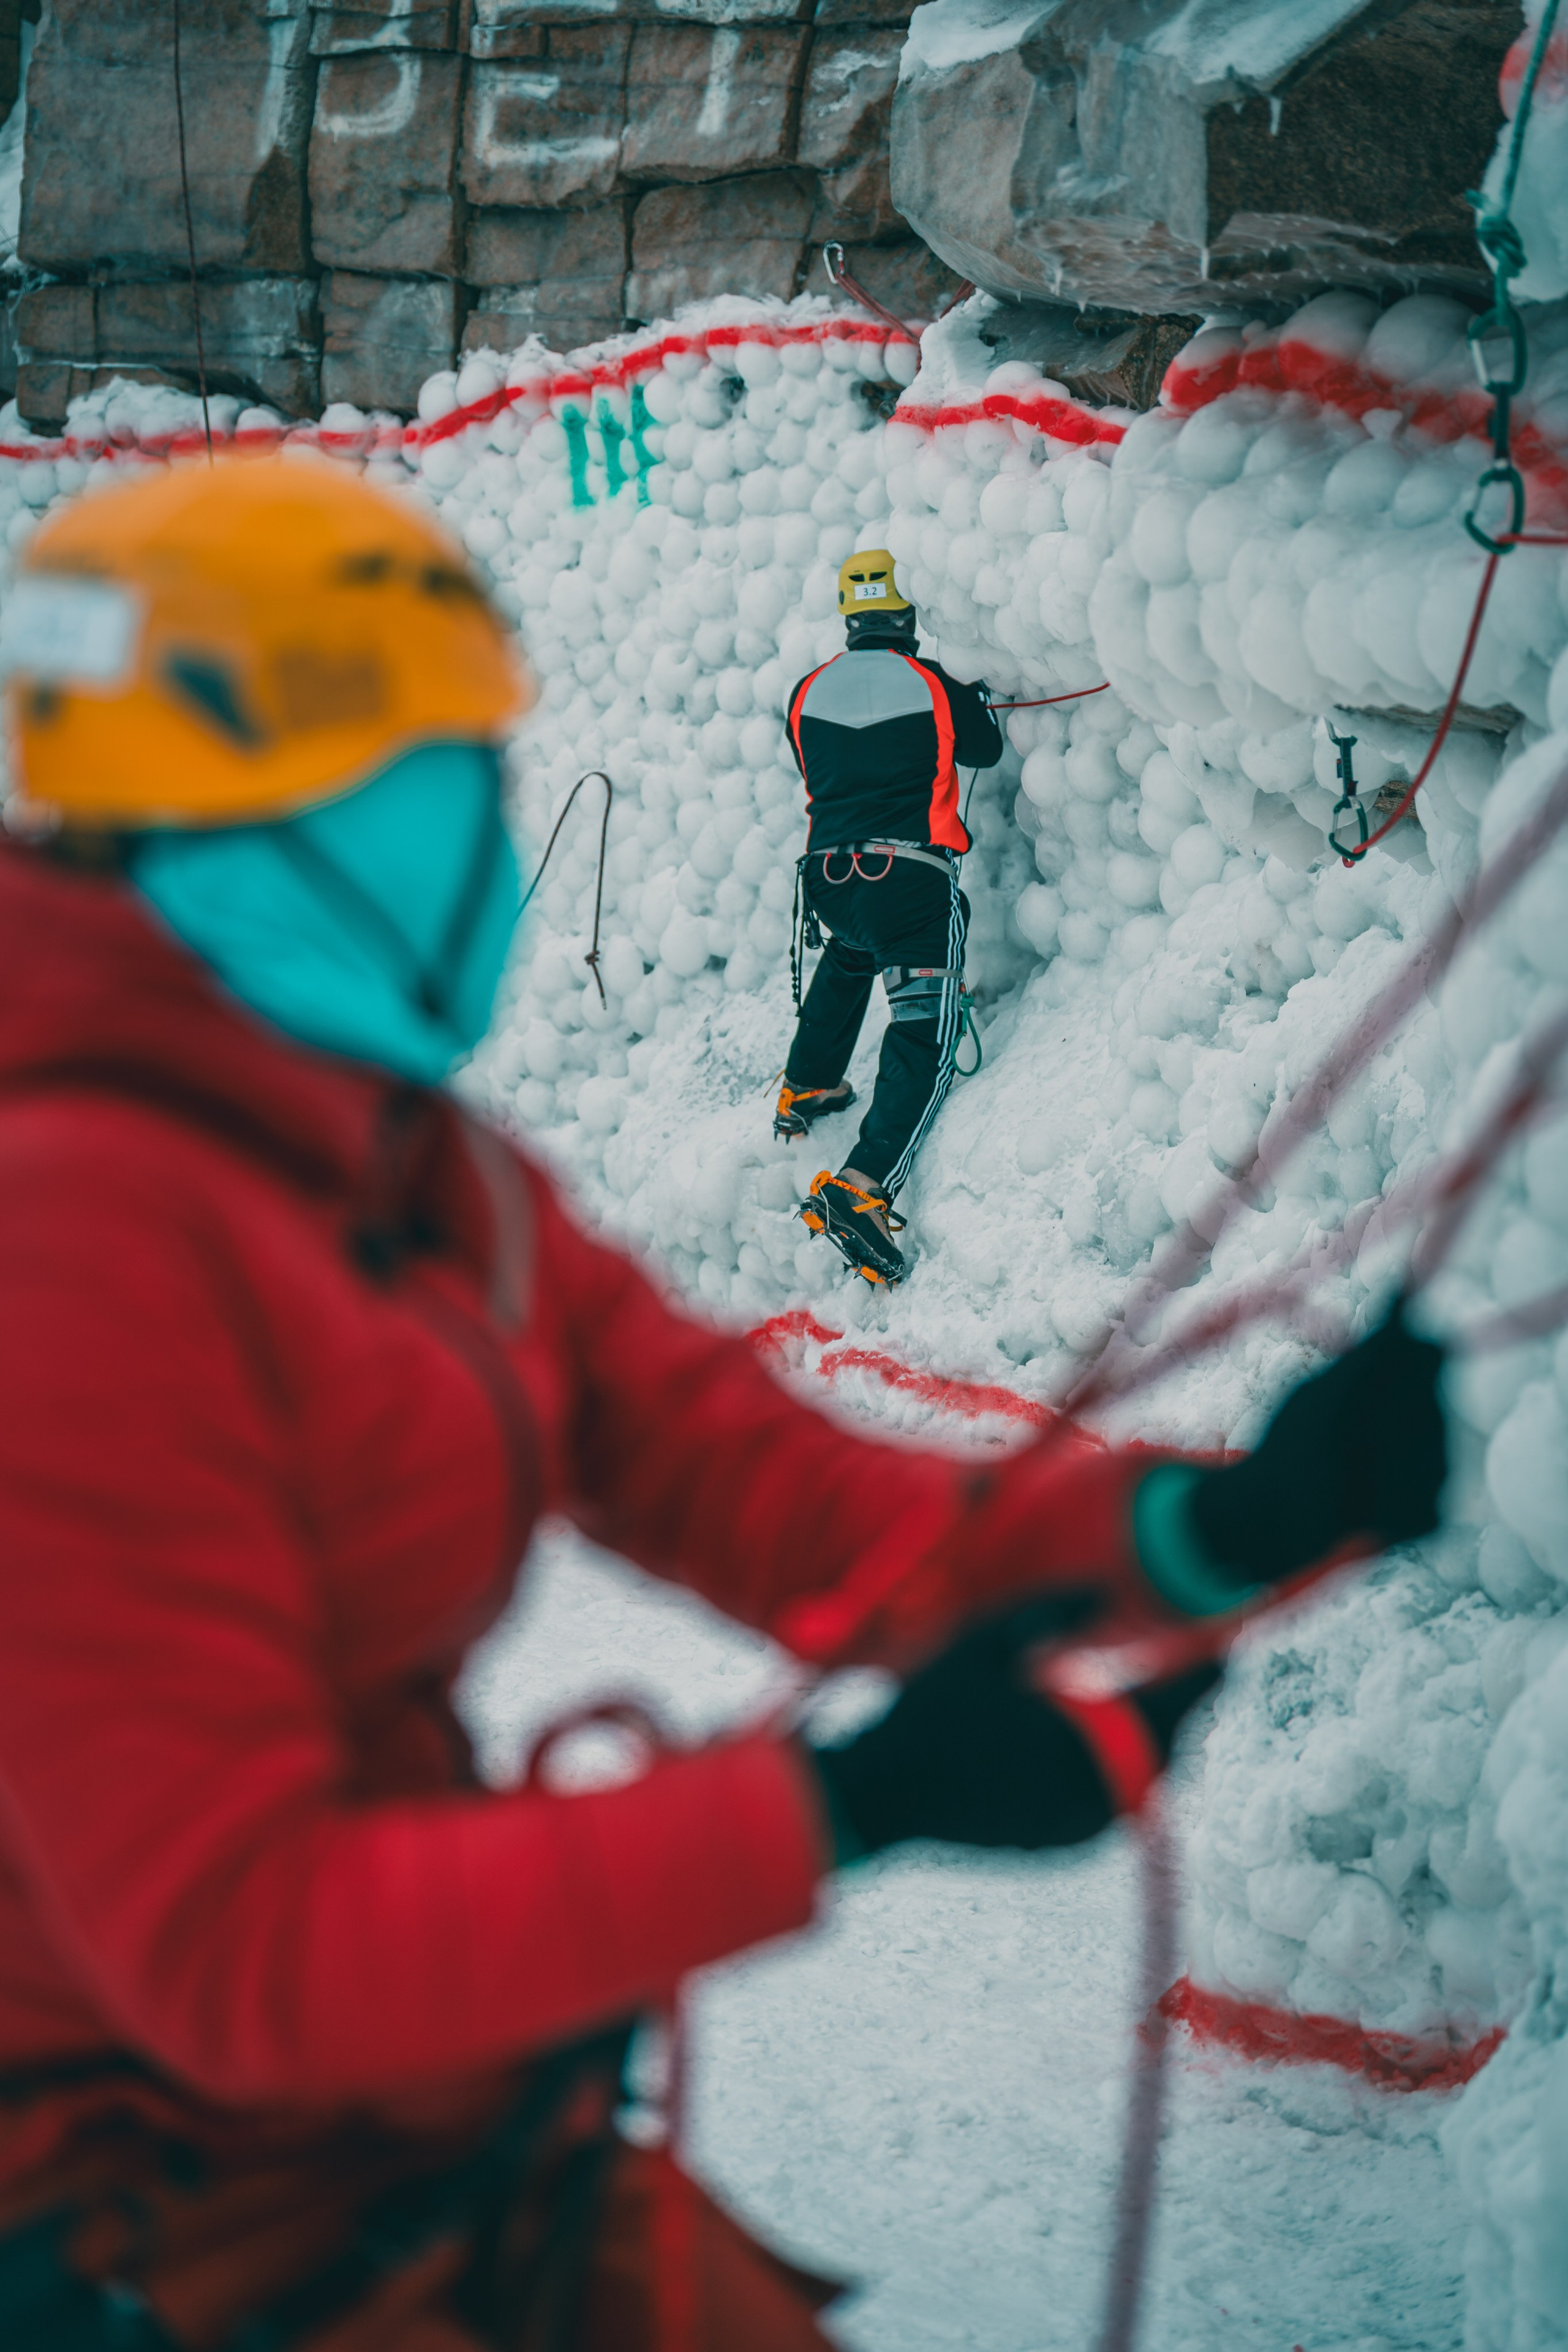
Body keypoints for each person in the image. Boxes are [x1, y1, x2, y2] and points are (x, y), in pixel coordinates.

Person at [0, 458, 1449, 2352]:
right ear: (252, 812)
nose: (485, 831)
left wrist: (1214, 1522)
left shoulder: (424, 1176)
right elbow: (243, 1951)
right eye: (442, 779)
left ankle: (808, 1092)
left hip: (411, 2127)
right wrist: (837, 1802)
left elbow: (778, 1495)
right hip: (136, 2220)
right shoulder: (70, 1238)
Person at [775, 549, 1004, 1285]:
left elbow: (816, 768)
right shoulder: (932, 683)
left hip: (831, 880)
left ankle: (807, 1083)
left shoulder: (806, 690)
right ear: (909, 613)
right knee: (921, 1035)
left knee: (849, 952)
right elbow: (986, 751)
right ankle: (863, 1186)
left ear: (850, 617)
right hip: (909, 882)